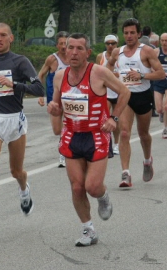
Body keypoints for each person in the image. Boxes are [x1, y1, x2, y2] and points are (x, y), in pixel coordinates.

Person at [47, 33, 130, 246]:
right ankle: (88, 229)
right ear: (64, 50)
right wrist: (53, 108)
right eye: (69, 48)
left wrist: (114, 118)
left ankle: (102, 196)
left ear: (88, 53)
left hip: (97, 135)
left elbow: (124, 92)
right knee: (77, 187)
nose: (73, 53)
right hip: (72, 135)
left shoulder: (99, 73)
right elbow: (56, 107)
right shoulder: (59, 76)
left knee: (92, 186)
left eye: (79, 49)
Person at [0, 23, 45, 235]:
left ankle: (24, 190)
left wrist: (14, 85)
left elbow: (39, 88)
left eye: (3, 35)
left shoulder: (20, 61)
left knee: (16, 171)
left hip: (15, 121)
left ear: (11, 38)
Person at [107, 18, 165, 188]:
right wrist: (112, 77)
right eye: (126, 33)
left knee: (143, 134)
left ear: (139, 34)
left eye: (132, 32)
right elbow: (107, 68)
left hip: (143, 96)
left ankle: (147, 160)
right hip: (125, 97)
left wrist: (142, 76)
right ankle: (126, 173)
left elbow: (161, 74)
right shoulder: (118, 52)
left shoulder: (146, 51)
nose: (129, 36)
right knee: (124, 133)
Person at [38, 31, 70, 167]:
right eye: (61, 44)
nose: (63, 46)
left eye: (66, 43)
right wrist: (40, 94)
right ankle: (64, 147)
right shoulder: (52, 59)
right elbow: (40, 75)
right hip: (54, 99)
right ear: (56, 45)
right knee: (57, 129)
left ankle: (64, 153)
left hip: (71, 98)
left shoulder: (74, 57)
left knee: (69, 125)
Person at [96, 34, 120, 154]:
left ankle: (117, 143)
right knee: (105, 118)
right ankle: (106, 143)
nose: (110, 46)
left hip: (119, 92)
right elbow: (97, 72)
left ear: (117, 44)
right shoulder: (100, 56)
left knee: (116, 119)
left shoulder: (121, 56)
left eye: (113, 43)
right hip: (106, 92)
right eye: (108, 43)